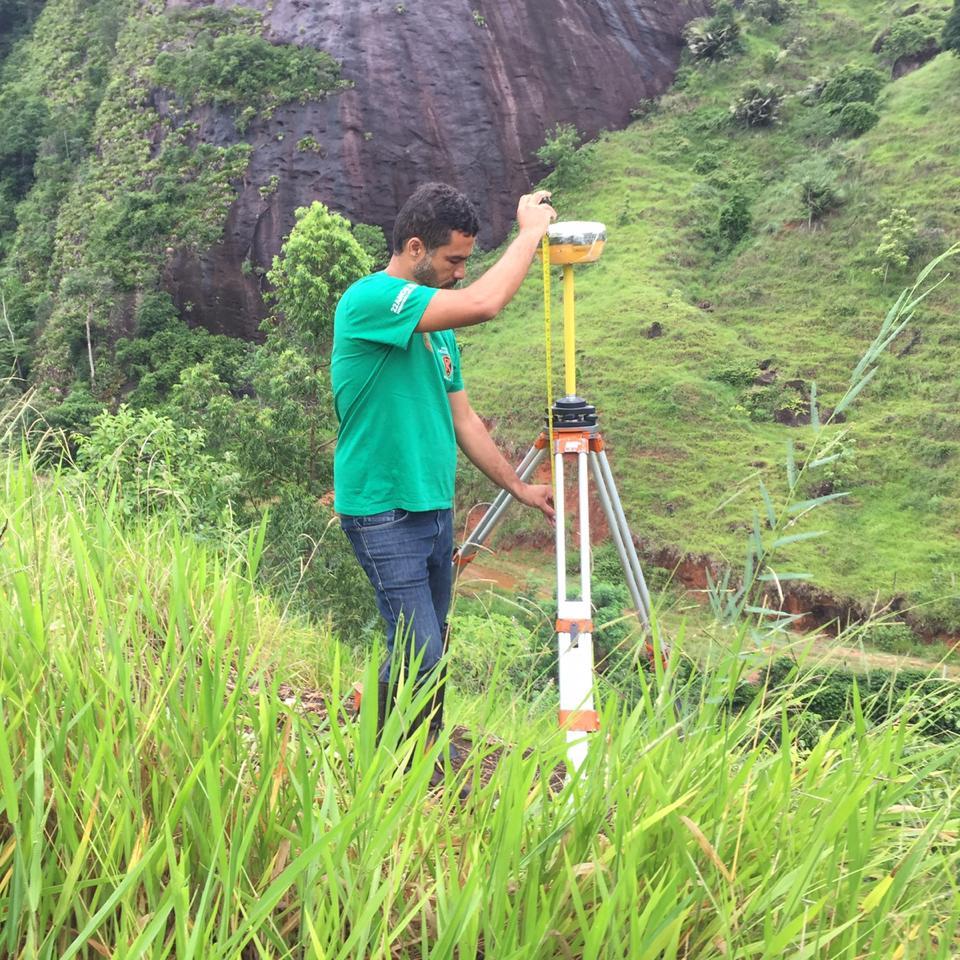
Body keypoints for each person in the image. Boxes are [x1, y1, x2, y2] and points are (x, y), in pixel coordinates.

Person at [331, 182, 557, 762]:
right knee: (421, 651)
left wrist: (519, 487)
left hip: (432, 510)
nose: (460, 272)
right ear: (414, 248)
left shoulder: (438, 329)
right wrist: (530, 232)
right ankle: (386, 766)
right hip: (382, 509)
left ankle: (409, 755)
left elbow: (465, 420)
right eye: (454, 259)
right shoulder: (371, 300)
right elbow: (486, 303)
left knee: (423, 644)